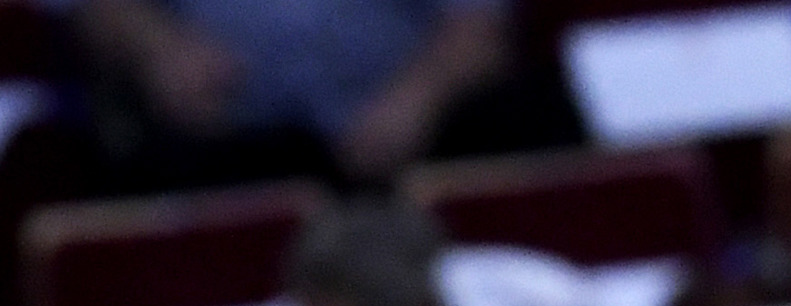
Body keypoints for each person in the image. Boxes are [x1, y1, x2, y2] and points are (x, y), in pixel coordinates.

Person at [75, 0, 509, 188]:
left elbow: (479, 29)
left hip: (402, 143)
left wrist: (419, 98)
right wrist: (159, 49)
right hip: (222, 143)